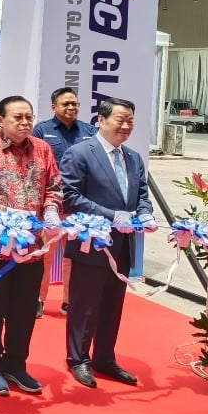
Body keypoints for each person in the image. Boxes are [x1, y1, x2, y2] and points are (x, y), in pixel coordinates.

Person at [0, 95, 62, 397]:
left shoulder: (43, 149)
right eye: (17, 117)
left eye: (28, 117)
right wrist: (3, 212)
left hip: (32, 247)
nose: (24, 122)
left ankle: (16, 364)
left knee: (24, 309)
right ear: (1, 119)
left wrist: (51, 210)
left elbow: (54, 186)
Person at [59, 97, 156, 389]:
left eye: (130, 121)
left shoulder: (134, 158)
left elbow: (141, 195)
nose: (126, 126)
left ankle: (104, 358)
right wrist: (112, 215)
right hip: (92, 243)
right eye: (120, 120)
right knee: (84, 305)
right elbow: (70, 197)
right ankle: (78, 359)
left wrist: (145, 213)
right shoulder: (80, 153)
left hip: (123, 245)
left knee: (112, 307)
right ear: (101, 120)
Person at [32, 87, 97, 318]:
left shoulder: (90, 131)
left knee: (73, 256)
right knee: (45, 253)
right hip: (51, 204)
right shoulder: (42, 130)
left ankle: (70, 301)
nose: (71, 107)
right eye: (65, 104)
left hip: (78, 205)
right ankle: (38, 299)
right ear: (54, 107)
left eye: (74, 104)